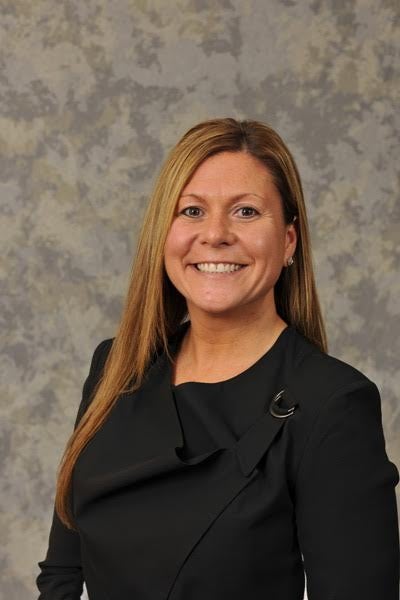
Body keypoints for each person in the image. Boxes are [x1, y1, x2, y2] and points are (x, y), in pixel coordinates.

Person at [36, 117, 400, 599]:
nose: (215, 234)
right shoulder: (115, 368)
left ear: (288, 241)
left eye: (246, 212)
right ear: (162, 233)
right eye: (191, 211)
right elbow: (63, 574)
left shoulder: (332, 404)